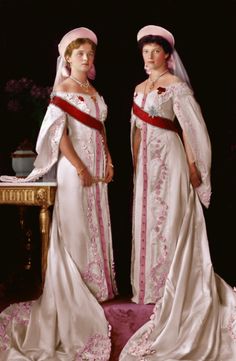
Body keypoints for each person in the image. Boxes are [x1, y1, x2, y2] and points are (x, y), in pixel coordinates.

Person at [119, 25, 236, 360]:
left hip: (171, 158)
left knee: (169, 216)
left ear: (167, 56)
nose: (150, 56)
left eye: (156, 51)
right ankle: (149, 288)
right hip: (146, 165)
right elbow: (136, 131)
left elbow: (190, 128)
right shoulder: (139, 88)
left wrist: (194, 165)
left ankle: (175, 287)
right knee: (146, 219)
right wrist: (137, 164)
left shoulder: (176, 87)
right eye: (145, 51)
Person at [0, 27, 117, 360]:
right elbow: (59, 136)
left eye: (90, 54)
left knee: (95, 223)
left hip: (95, 166)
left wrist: (108, 158)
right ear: (67, 58)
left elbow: (101, 130)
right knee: (76, 225)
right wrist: (80, 167)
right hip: (73, 168)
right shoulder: (63, 90)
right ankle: (79, 287)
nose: (86, 58)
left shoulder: (93, 91)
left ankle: (99, 286)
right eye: (80, 53)